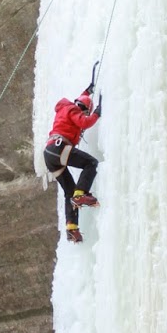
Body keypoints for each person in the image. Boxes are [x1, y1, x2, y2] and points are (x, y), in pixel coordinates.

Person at [44, 84, 101, 243]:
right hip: (58, 148)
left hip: (50, 155)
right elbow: (84, 122)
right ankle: (81, 194)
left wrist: (87, 92)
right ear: (83, 109)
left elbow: (79, 102)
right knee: (91, 163)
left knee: (69, 191)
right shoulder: (73, 110)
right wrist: (96, 114)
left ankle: (71, 228)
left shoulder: (68, 108)